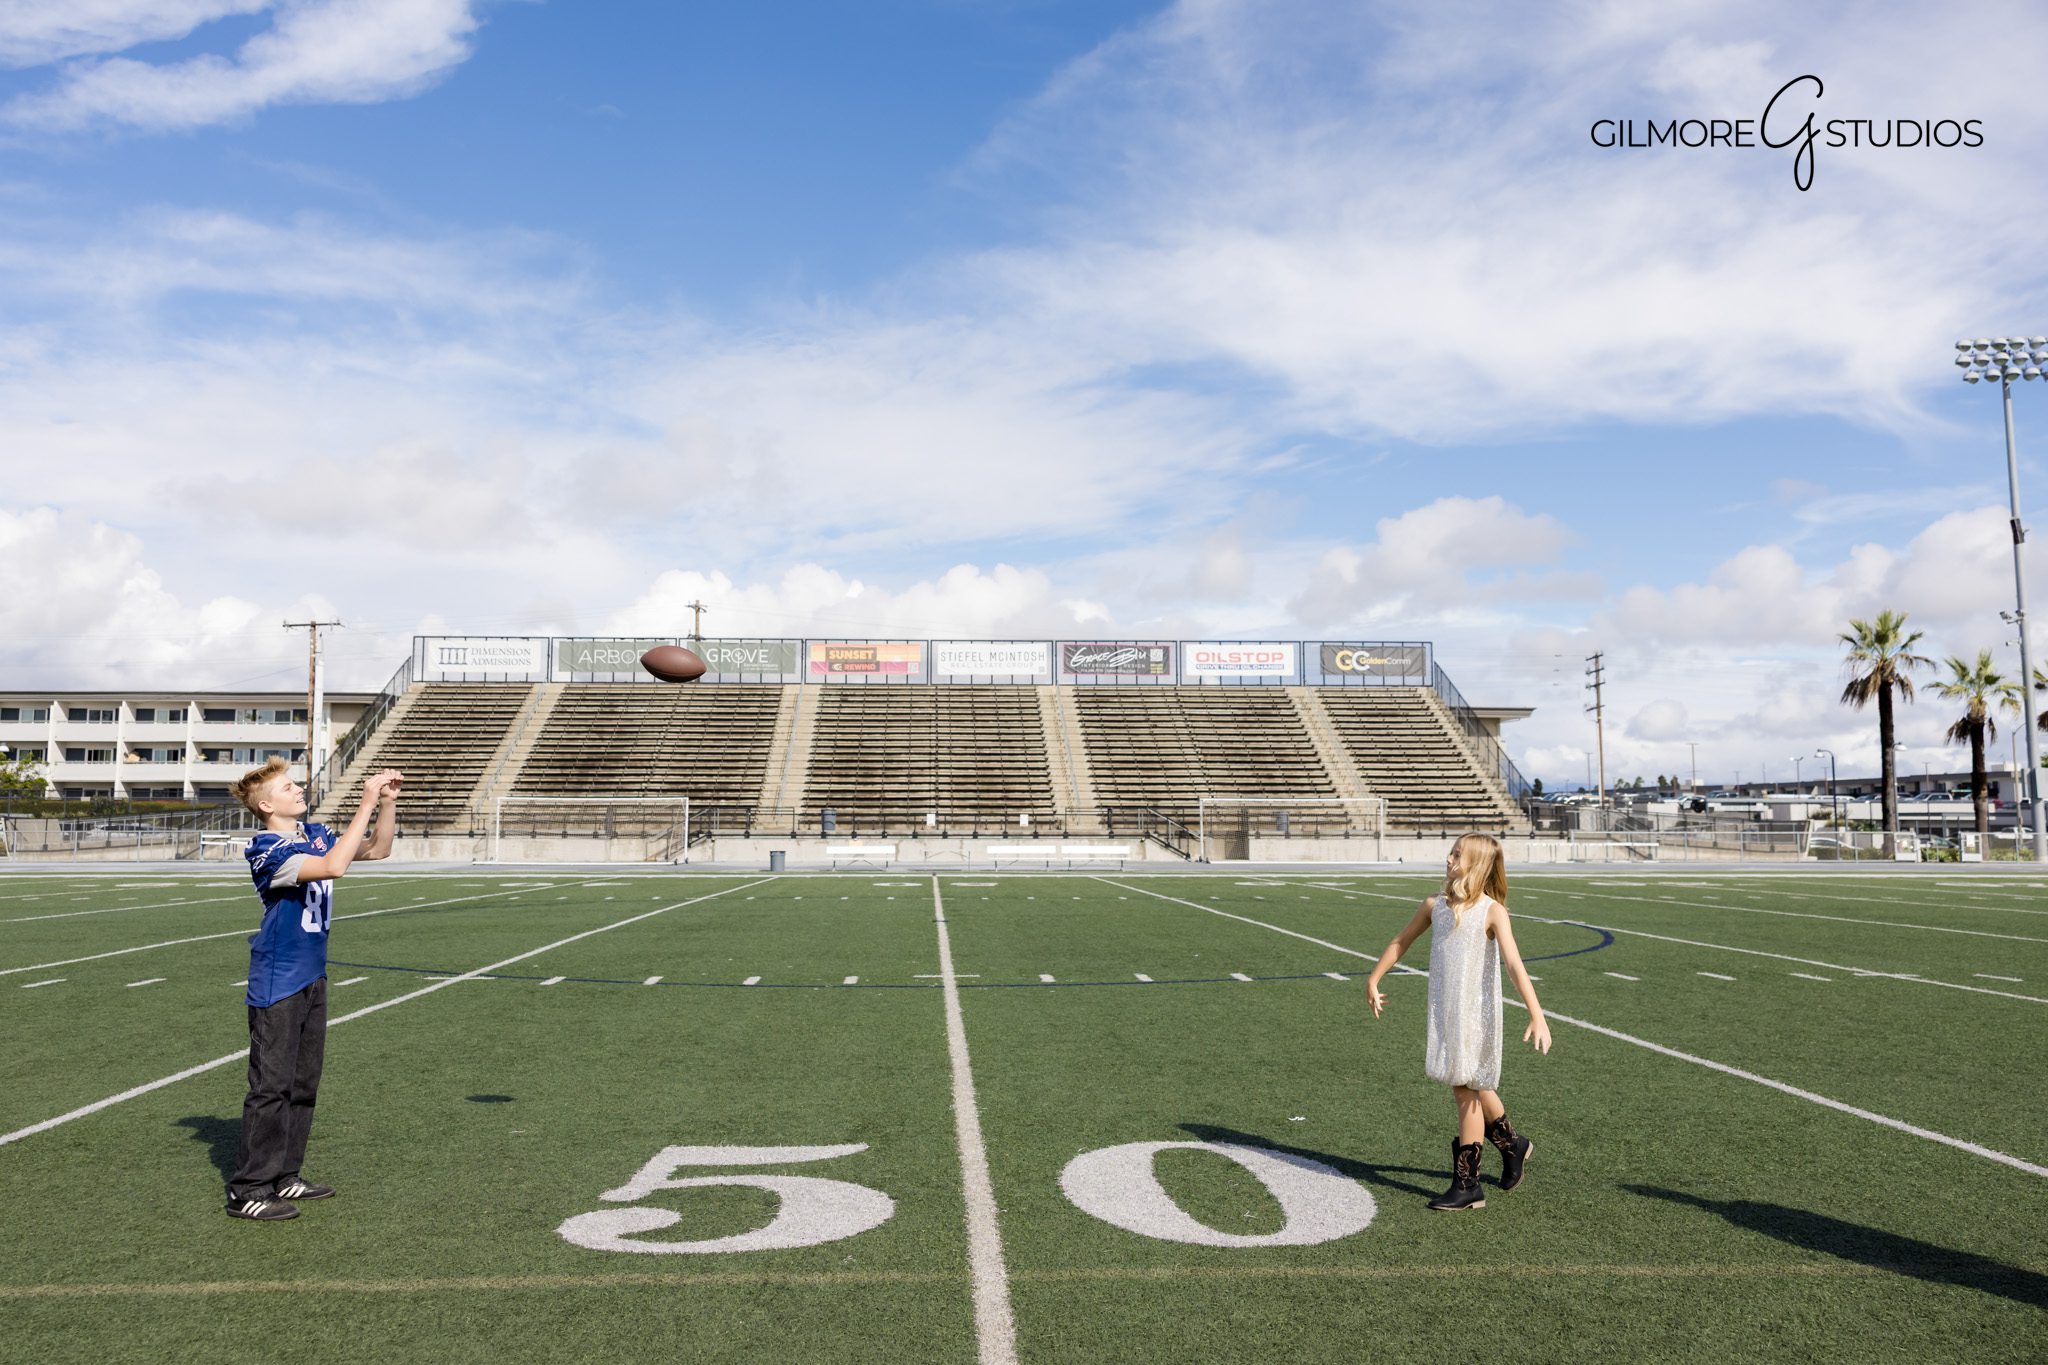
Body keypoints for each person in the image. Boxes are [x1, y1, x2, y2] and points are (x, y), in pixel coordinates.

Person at [223, 758, 402, 1221]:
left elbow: (378, 850)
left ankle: (285, 1175)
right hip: (278, 979)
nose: (298, 790)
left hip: (311, 975)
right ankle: (249, 1188)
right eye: (288, 787)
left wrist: (386, 803)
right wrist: (363, 799)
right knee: (270, 1087)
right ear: (266, 804)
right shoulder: (265, 849)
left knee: (303, 1084)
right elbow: (334, 868)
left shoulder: (313, 833)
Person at [1365, 832, 1552, 1211]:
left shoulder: (1492, 911)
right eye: (1450, 853)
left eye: (1457, 855)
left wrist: (1537, 1012)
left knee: (1464, 1088)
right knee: (1473, 1082)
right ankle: (1514, 1146)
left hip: (1475, 1015)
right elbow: (1401, 941)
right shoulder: (1434, 905)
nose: (1449, 859)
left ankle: (1468, 1186)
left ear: (1477, 865)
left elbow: (1514, 965)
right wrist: (1374, 977)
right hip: (1445, 1012)